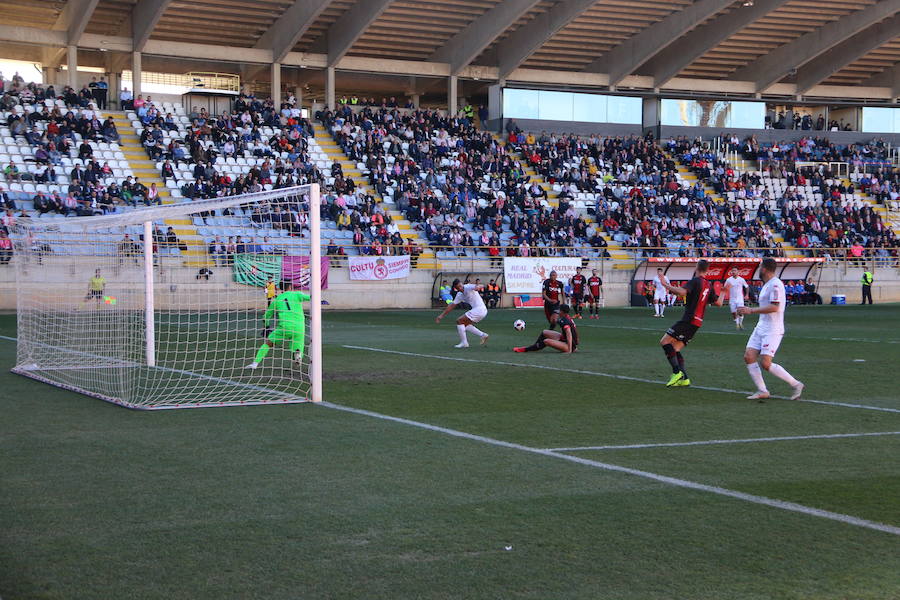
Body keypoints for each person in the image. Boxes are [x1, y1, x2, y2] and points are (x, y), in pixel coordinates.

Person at [737, 257, 804, 401]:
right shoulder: (767, 284)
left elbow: (775, 307)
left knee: (766, 363)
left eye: (760, 266)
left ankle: (796, 384)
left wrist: (751, 311)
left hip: (773, 329)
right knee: (749, 356)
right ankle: (762, 390)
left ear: (765, 269)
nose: (759, 269)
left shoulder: (775, 285)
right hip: (761, 327)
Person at [658, 259, 723, 387]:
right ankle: (684, 379)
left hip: (689, 319)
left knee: (664, 342)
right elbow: (719, 303)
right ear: (707, 270)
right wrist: (725, 292)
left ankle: (677, 373)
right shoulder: (709, 285)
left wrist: (665, 285)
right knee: (675, 348)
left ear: (697, 267)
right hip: (697, 322)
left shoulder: (696, 281)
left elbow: (682, 292)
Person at [246, 284, 310, 369]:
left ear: (280, 288)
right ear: (290, 287)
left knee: (268, 343)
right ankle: (298, 354)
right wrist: (321, 301)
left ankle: (255, 363)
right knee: (298, 344)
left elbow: (266, 316)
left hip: (284, 326)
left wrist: (267, 326)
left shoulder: (277, 299)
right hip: (299, 327)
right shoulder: (297, 294)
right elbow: (310, 297)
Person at [435, 279, 489, 348]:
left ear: (462, 284)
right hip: (480, 310)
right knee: (465, 325)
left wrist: (478, 287)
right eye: (458, 287)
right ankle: (483, 335)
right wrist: (441, 316)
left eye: (461, 286)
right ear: (456, 288)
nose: (461, 288)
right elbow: (452, 305)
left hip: (480, 309)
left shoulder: (468, 287)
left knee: (459, 320)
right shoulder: (459, 295)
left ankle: (464, 343)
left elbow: (481, 285)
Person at [514, 304, 578, 354]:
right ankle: (534, 346)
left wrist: (569, 350)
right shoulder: (565, 317)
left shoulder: (565, 320)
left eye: (559, 310)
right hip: (566, 340)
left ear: (562, 312)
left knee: (546, 341)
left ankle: (526, 349)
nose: (558, 311)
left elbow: (569, 334)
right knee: (545, 332)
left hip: (568, 345)